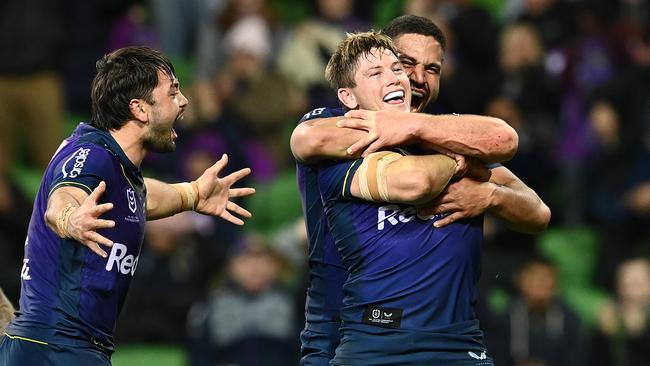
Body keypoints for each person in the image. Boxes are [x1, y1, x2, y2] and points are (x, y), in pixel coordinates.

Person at [292, 15, 550, 365]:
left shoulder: (446, 134)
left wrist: (492, 195)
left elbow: (535, 207)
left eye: (432, 69)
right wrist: (461, 161)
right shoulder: (340, 127)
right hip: (352, 327)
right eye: (405, 63)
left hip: (458, 338)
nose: (414, 77)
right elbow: (309, 139)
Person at [0, 46, 255, 365]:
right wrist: (71, 219)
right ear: (140, 109)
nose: (184, 100)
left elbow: (145, 194)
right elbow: (62, 199)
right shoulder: (91, 157)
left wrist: (192, 194)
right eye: (173, 92)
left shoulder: (118, 170)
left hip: (66, 347)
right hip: (56, 348)